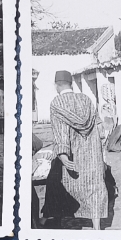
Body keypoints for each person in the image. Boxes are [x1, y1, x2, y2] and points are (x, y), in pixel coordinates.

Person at [47, 71, 109, 228]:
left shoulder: (56, 104)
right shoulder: (86, 99)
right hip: (93, 156)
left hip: (73, 157)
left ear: (56, 85)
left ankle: (61, 221)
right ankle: (97, 227)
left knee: (60, 184)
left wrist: (63, 157)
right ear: (71, 84)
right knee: (95, 189)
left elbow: (60, 134)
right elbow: (100, 128)